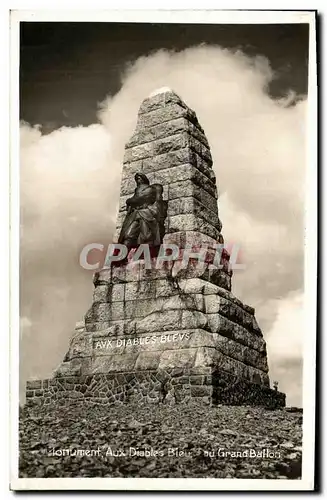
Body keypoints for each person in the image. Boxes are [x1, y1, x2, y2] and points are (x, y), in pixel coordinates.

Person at [118, 172, 167, 249]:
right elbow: (135, 199)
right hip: (135, 215)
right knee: (128, 235)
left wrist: (128, 200)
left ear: (144, 179)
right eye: (136, 179)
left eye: (139, 178)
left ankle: (148, 256)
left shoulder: (149, 189)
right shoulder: (137, 191)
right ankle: (122, 257)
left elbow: (138, 198)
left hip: (146, 215)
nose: (138, 181)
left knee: (146, 237)